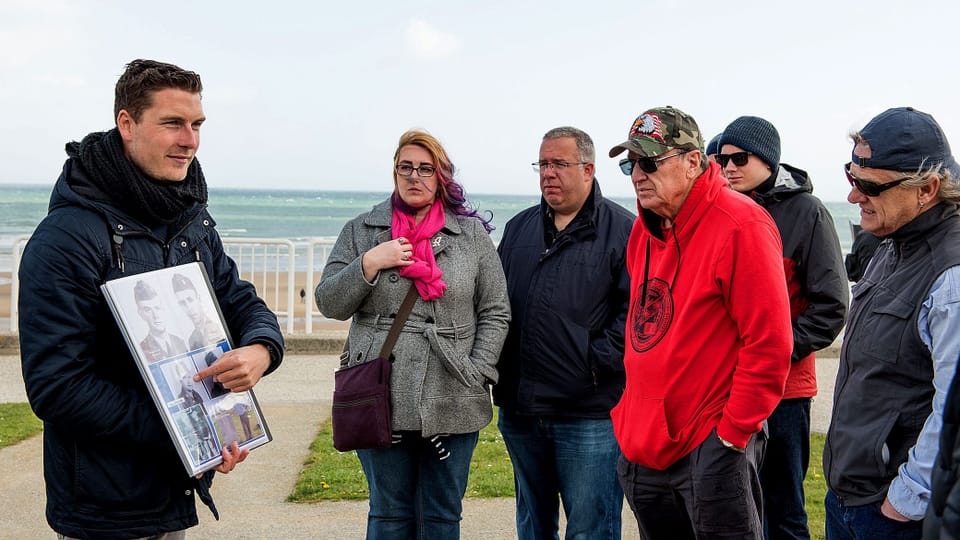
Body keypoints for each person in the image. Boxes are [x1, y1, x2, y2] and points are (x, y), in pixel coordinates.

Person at [17, 59, 284, 539]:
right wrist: (188, 429)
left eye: (197, 124)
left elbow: (238, 298)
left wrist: (262, 349)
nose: (190, 140)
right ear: (127, 124)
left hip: (170, 490)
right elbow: (58, 386)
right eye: (172, 124)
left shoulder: (187, 219)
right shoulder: (66, 238)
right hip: (102, 506)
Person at [609, 106, 793, 539]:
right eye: (630, 163)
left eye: (650, 161)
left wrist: (730, 435)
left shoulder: (741, 224)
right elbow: (644, 326)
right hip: (644, 444)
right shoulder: (645, 228)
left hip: (710, 443)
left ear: (693, 161)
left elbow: (769, 342)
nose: (637, 174)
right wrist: (629, 419)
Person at [315, 129, 510, 539]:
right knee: (388, 514)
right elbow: (330, 303)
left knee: (442, 514)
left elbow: (495, 311)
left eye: (425, 168)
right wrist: (369, 263)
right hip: (379, 390)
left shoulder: (470, 236)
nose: (414, 176)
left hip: (453, 387)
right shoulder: (362, 231)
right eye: (406, 167)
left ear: (440, 177)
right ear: (395, 172)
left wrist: (478, 371)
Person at [823, 106, 960, 539]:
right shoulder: (893, 241)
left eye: (869, 185)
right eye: (851, 177)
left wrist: (905, 499)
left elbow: (953, 410)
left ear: (929, 188)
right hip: (850, 496)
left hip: (892, 513)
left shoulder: (951, 274)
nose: (853, 196)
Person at [493, 126, 633, 539]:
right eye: (543, 164)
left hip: (589, 413)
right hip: (521, 409)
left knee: (591, 528)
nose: (548, 173)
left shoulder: (624, 231)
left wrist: (590, 364)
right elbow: (495, 306)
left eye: (559, 164)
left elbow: (636, 318)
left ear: (588, 169)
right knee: (533, 526)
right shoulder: (518, 229)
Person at [719, 115, 849, 540]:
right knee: (731, 506)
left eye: (740, 157)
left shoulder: (807, 212)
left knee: (784, 510)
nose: (729, 167)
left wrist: (772, 351)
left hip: (784, 392)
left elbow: (831, 307)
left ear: (769, 160)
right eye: (721, 159)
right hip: (725, 386)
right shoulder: (720, 210)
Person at [135, 279, 189, 362]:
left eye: (157, 308)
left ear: (163, 308)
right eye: (148, 310)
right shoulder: (141, 349)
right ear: (141, 314)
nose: (156, 316)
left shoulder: (180, 341)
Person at [172, 271, 225, 350]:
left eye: (190, 300)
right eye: (182, 303)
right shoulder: (192, 339)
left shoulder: (219, 328)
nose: (188, 307)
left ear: (198, 298)